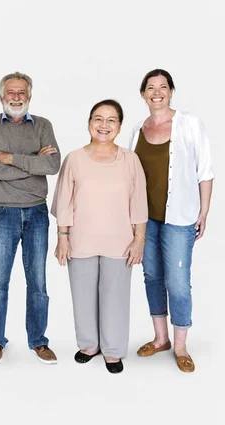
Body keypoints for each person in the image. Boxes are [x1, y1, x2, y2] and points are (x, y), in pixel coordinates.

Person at [52, 99, 148, 374]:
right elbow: (64, 203)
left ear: (119, 126)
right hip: (80, 240)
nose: (103, 125)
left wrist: (139, 239)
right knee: (82, 296)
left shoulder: (130, 160)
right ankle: (89, 345)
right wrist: (62, 237)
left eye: (111, 120)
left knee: (115, 297)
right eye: (98, 118)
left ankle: (113, 350)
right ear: (89, 123)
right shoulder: (74, 159)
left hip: (119, 241)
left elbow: (139, 202)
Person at [131, 69, 214, 373]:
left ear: (171, 91)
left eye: (162, 87)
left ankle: (180, 345)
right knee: (152, 277)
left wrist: (203, 212)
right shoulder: (137, 130)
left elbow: (205, 170)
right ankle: (160, 338)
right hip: (145, 220)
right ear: (143, 94)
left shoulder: (189, 123)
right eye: (150, 88)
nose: (156, 92)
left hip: (179, 218)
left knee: (178, 283)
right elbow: (129, 175)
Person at [0, 71, 60, 365]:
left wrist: (10, 158)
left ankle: (38, 341)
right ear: (1, 96)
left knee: (37, 281)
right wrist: (32, 162)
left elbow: (52, 165)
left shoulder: (43, 125)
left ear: (29, 96)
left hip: (37, 211)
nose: (16, 97)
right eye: (11, 92)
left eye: (21, 92)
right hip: (1, 211)